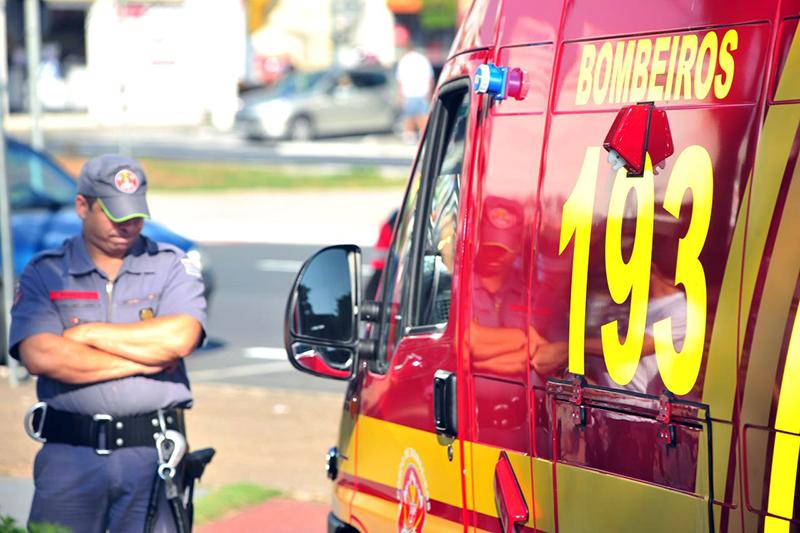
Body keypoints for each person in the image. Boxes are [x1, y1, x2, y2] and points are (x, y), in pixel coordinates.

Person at [9, 155, 207, 532]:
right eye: (114, 214)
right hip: (70, 459)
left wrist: (89, 334)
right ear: (82, 206)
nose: (127, 224)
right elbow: (40, 355)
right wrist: (145, 360)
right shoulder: (46, 270)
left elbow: (181, 338)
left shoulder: (170, 265)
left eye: (134, 213)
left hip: (151, 456)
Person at [395, 44, 434, 143]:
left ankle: (409, 137)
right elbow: (430, 78)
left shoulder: (404, 61)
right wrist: (430, 92)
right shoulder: (423, 59)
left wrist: (400, 96)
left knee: (409, 116)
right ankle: (424, 135)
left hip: (409, 93)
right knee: (422, 115)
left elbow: (400, 80)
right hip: (423, 92)